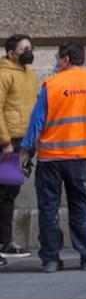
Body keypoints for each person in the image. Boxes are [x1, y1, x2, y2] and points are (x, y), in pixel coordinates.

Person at [19, 41, 86, 273]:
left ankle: (50, 258)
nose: (56, 62)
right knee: (81, 205)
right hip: (81, 156)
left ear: (66, 59)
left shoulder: (52, 84)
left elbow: (37, 120)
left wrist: (26, 149)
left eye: (58, 57)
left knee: (48, 208)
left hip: (51, 158)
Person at [0, 33, 38, 265]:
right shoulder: (4, 74)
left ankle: (6, 241)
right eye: (24, 49)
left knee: (11, 191)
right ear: (11, 52)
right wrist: (4, 141)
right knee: (3, 192)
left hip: (24, 142)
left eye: (30, 48)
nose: (29, 52)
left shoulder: (30, 75)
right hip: (8, 142)